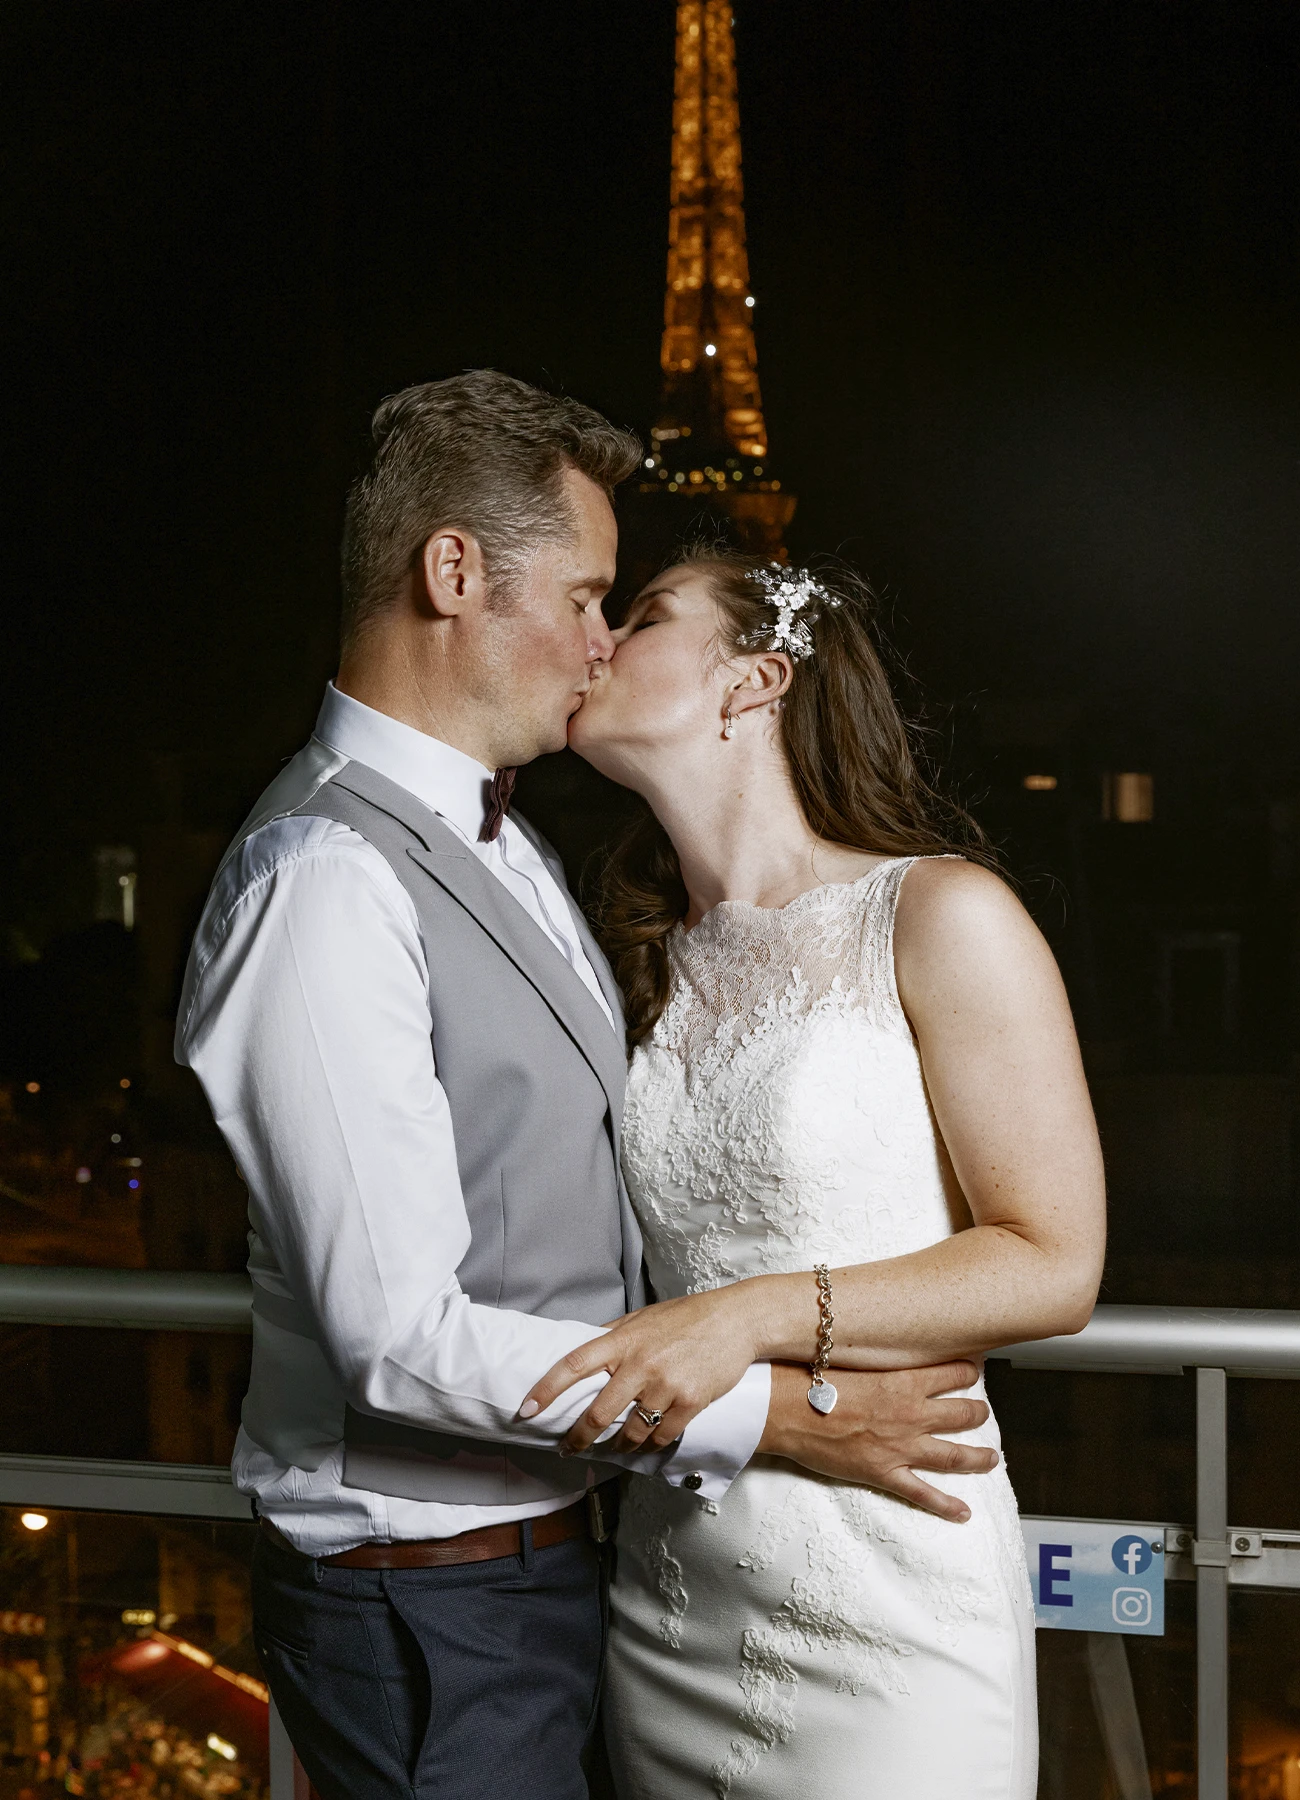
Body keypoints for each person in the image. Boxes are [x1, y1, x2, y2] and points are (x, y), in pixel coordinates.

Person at [174, 373, 1004, 1800]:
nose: (600, 640)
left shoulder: (515, 848)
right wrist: (779, 1415)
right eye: (584, 593)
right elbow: (394, 1335)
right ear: (453, 572)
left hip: (569, 1578)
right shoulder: (323, 880)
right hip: (428, 1604)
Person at [525, 546, 1107, 1798]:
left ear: (754, 679)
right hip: (678, 1583)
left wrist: (749, 1314)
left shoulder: (942, 913)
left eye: (643, 616)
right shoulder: (629, 963)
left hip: (891, 1585)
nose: (597, 640)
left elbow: (1053, 1262)